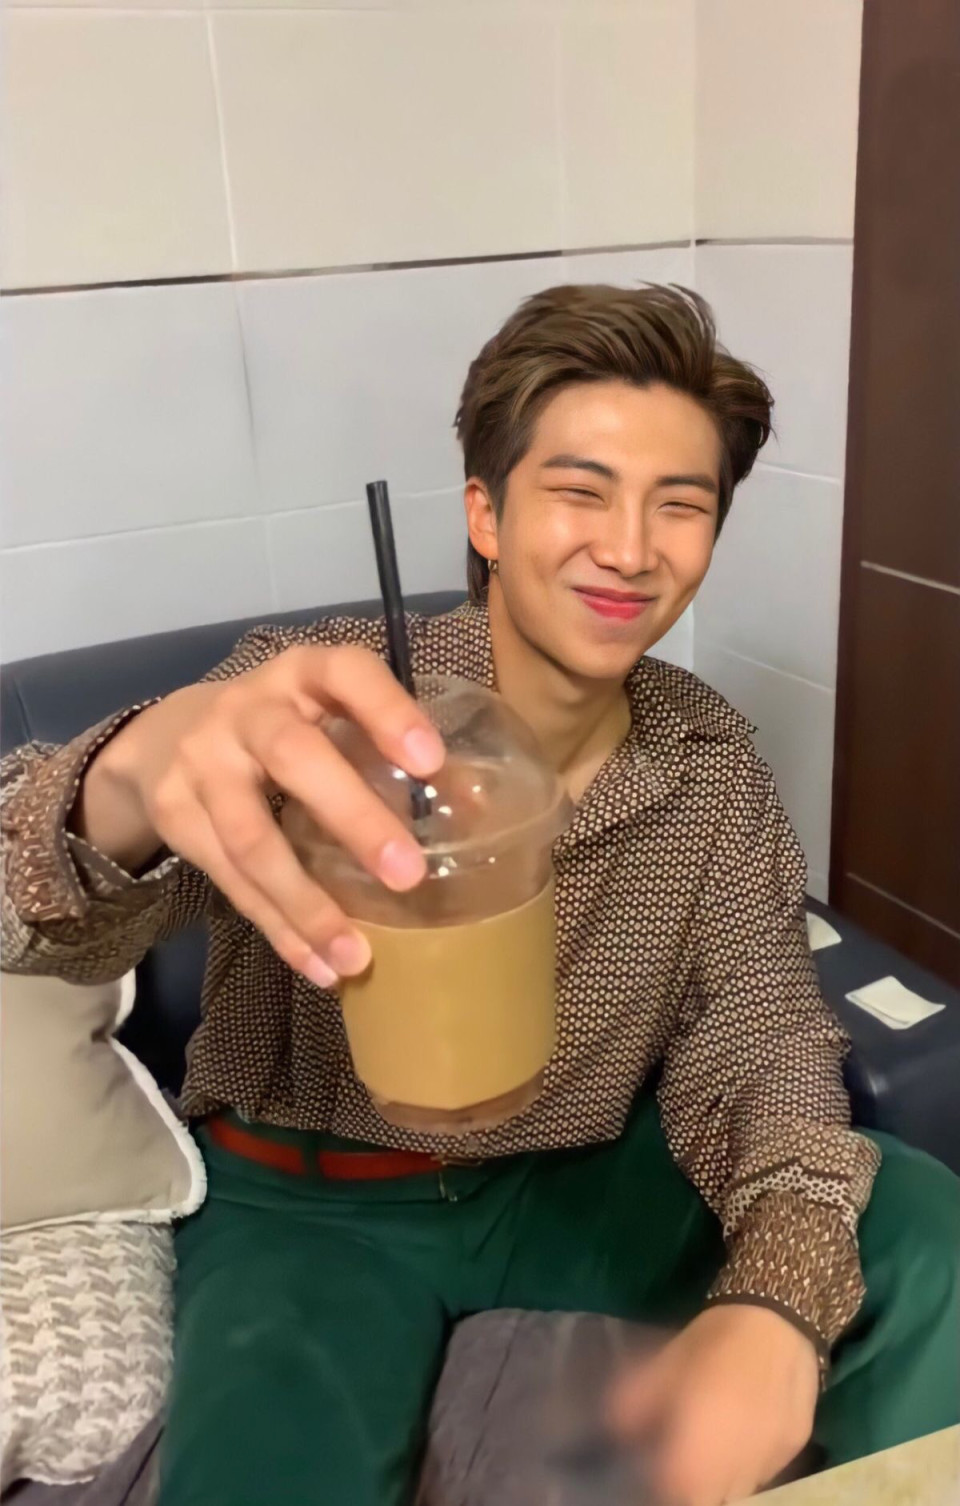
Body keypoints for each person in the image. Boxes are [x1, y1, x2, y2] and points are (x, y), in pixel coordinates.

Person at [3, 285, 957, 1506]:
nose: (631, 549)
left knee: (916, 1226)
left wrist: (779, 1299)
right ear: (486, 515)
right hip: (310, 1203)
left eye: (680, 504)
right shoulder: (324, 706)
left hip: (576, 1177)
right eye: (581, 491)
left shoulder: (709, 762)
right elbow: (33, 919)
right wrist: (127, 778)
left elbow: (762, 1038)